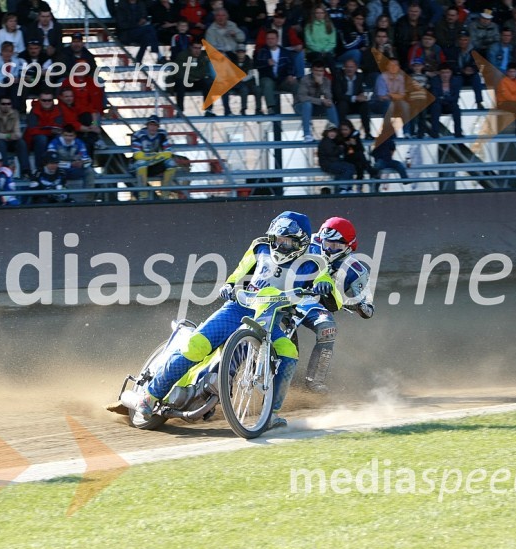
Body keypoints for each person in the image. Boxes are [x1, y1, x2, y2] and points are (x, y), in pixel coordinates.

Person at [117, 211, 340, 429]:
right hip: (237, 308)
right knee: (197, 345)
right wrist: (229, 285)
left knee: (288, 352)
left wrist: (326, 287)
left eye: (287, 241)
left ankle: (271, 414)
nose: (280, 246)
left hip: (272, 317)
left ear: (301, 242)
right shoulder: (259, 247)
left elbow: (333, 295)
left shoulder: (316, 260)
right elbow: (238, 273)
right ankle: (149, 396)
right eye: (277, 240)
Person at [299, 217, 374, 393]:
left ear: (349, 247)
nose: (329, 249)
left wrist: (354, 304)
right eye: (327, 243)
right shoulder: (306, 242)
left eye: (336, 246)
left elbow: (369, 309)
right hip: (286, 294)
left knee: (328, 328)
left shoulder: (356, 270)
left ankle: (314, 381)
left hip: (317, 305)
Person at [131, 115, 178, 198]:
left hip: (154, 162)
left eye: (155, 125)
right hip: (138, 165)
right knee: (141, 163)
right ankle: (143, 195)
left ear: (158, 126)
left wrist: (158, 156)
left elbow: (168, 151)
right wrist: (153, 156)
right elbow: (137, 154)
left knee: (171, 163)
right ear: (147, 125)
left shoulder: (162, 134)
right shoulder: (138, 135)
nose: (153, 127)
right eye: (151, 125)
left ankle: (165, 194)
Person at [255, 29, 299, 115]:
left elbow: (291, 65)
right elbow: (257, 65)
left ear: (277, 39)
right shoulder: (262, 52)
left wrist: (290, 75)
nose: (270, 40)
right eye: (268, 38)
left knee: (295, 83)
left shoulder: (285, 52)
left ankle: (298, 106)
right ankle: (271, 108)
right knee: (267, 83)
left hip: (282, 79)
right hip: (268, 78)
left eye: (272, 38)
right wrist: (266, 63)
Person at [47, 124, 95, 202]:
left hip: (75, 170)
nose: (68, 138)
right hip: (60, 170)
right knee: (53, 169)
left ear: (75, 136)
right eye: (66, 135)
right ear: (61, 134)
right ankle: (57, 198)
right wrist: (70, 164)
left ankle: (88, 200)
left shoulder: (79, 143)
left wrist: (82, 163)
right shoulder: (54, 143)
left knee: (89, 171)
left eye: (71, 136)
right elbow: (50, 162)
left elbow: (88, 160)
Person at [294, 60, 339, 143]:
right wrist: (321, 101)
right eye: (316, 70)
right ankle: (307, 134)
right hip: (301, 106)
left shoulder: (326, 81)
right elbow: (302, 98)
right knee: (307, 104)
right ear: (312, 70)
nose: (318, 73)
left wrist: (321, 85)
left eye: (321, 71)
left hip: (315, 106)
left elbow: (329, 98)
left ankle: (335, 132)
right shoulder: (305, 79)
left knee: (330, 105)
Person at [0, 97, 30, 178]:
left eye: (8, 104)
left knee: (21, 143)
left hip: (11, 141)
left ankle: (26, 171)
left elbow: (18, 132)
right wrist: (9, 135)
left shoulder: (15, 114)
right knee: (0, 143)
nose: (6, 106)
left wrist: (15, 136)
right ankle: (5, 170)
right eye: (3, 104)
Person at [333, 59, 372, 139]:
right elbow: (338, 95)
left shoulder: (359, 76)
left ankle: (367, 133)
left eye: (351, 67)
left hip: (355, 104)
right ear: (344, 68)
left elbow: (360, 90)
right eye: (347, 67)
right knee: (342, 104)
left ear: (356, 68)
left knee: (365, 105)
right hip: (344, 103)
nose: (349, 69)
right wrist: (355, 98)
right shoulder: (338, 77)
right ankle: (342, 133)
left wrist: (362, 95)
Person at [24, 91, 64, 170]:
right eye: (44, 100)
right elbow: (32, 130)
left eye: (49, 100)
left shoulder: (58, 110)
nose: (47, 102)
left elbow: (59, 126)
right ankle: (40, 168)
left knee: (59, 137)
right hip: (36, 139)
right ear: (39, 100)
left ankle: (59, 166)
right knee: (41, 139)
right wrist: (49, 131)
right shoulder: (34, 110)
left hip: (52, 136)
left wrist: (55, 131)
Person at [429, 63, 463, 138]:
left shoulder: (456, 81)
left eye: (447, 72)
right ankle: (434, 132)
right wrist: (445, 98)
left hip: (450, 104)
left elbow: (456, 97)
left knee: (456, 107)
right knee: (435, 107)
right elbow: (434, 97)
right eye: (443, 72)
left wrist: (443, 98)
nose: (445, 75)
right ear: (439, 73)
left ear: (451, 73)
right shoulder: (435, 81)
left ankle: (458, 132)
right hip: (439, 104)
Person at [318, 123, 354, 191]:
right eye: (330, 132)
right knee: (348, 168)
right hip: (328, 164)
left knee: (349, 167)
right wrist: (341, 148)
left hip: (331, 162)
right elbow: (331, 153)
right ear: (326, 132)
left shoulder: (330, 141)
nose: (332, 133)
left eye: (334, 132)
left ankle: (345, 188)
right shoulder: (326, 142)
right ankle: (343, 188)